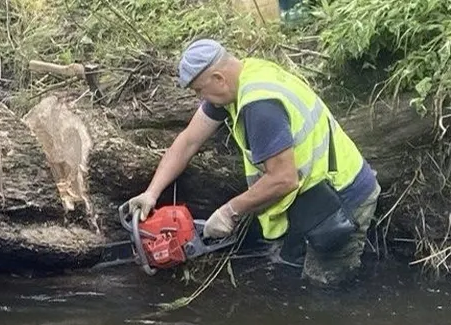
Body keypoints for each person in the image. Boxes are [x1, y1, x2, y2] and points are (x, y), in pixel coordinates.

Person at [125, 38, 380, 286]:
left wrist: (229, 211)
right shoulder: (242, 76)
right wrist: (151, 192)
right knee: (288, 273)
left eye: (199, 90)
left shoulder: (260, 106)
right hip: (312, 196)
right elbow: (189, 141)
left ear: (218, 79)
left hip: (343, 197)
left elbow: (283, 178)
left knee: (322, 289)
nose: (201, 98)